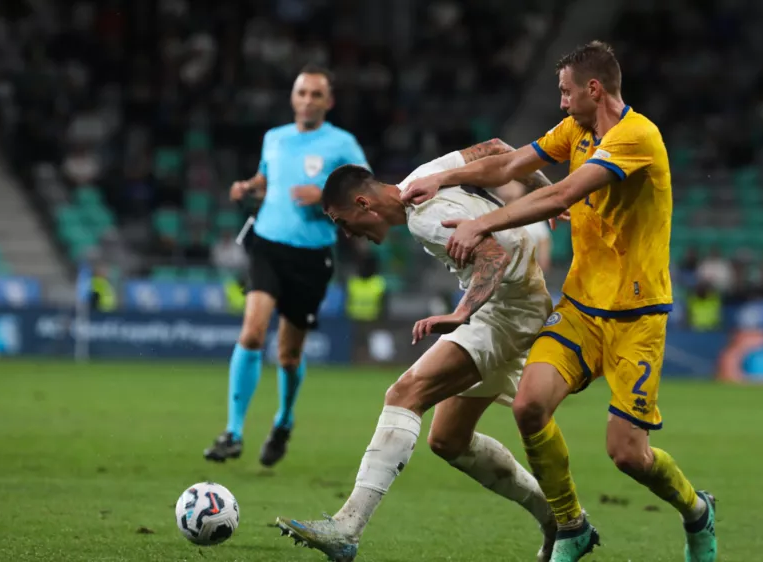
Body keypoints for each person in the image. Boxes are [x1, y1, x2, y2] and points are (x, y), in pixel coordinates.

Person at [401, 41, 717, 562]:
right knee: (528, 406)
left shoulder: (638, 137)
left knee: (628, 455)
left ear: (594, 89)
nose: (563, 102)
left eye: (567, 92)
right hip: (580, 310)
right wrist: (441, 177)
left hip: (637, 319)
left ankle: (696, 511)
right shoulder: (575, 130)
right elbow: (509, 165)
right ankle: (572, 526)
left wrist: (482, 221)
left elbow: (561, 194)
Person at [275, 139, 559, 562]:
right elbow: (497, 148)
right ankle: (562, 521)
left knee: (405, 394)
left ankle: (347, 528)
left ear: (362, 203)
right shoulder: (425, 176)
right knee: (448, 439)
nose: (346, 233)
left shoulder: (423, 218)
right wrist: (543, 192)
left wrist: (461, 313)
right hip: (513, 303)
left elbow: (493, 258)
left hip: (507, 310)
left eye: (342, 221)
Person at [204, 65, 369, 466]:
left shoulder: (342, 144)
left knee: (289, 354)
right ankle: (234, 432)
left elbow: (368, 191)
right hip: (267, 244)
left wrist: (325, 193)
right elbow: (267, 178)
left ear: (328, 102)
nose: (307, 100)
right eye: (302, 93)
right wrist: (248, 187)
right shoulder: (274, 139)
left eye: (316, 94)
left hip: (312, 255)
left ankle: (283, 421)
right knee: (252, 332)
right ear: (292, 97)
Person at [498, 181, 553, 271]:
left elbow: (544, 257)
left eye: (515, 181)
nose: (509, 185)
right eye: (506, 181)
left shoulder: (535, 220)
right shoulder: (487, 214)